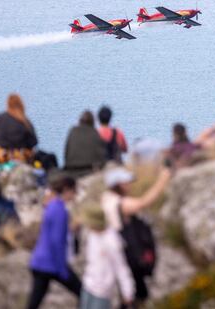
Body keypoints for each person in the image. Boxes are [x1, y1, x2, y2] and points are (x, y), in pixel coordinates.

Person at [102, 166, 172, 304]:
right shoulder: (119, 202)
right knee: (136, 295)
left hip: (118, 254)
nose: (129, 185)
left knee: (131, 293)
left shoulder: (106, 198)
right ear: (118, 184)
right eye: (126, 182)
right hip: (128, 255)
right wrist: (162, 180)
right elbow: (144, 202)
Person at [27, 176, 81, 309]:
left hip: (39, 262)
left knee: (34, 302)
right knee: (83, 293)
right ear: (67, 190)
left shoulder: (52, 206)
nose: (75, 195)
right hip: (51, 263)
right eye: (74, 191)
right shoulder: (60, 210)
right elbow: (56, 241)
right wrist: (62, 268)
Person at [78, 203, 135, 309]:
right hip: (87, 285)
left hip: (102, 292)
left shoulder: (112, 240)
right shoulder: (91, 234)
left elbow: (121, 268)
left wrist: (128, 293)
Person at [0, 94, 38, 164]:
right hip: (19, 156)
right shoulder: (25, 121)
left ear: (8, 105)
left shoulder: (0, 118)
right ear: (22, 105)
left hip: (1, 156)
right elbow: (33, 142)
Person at [64, 111, 107, 178]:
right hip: (88, 171)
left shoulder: (73, 131)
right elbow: (101, 157)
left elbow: (66, 153)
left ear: (80, 121)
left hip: (71, 171)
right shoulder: (94, 133)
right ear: (92, 122)